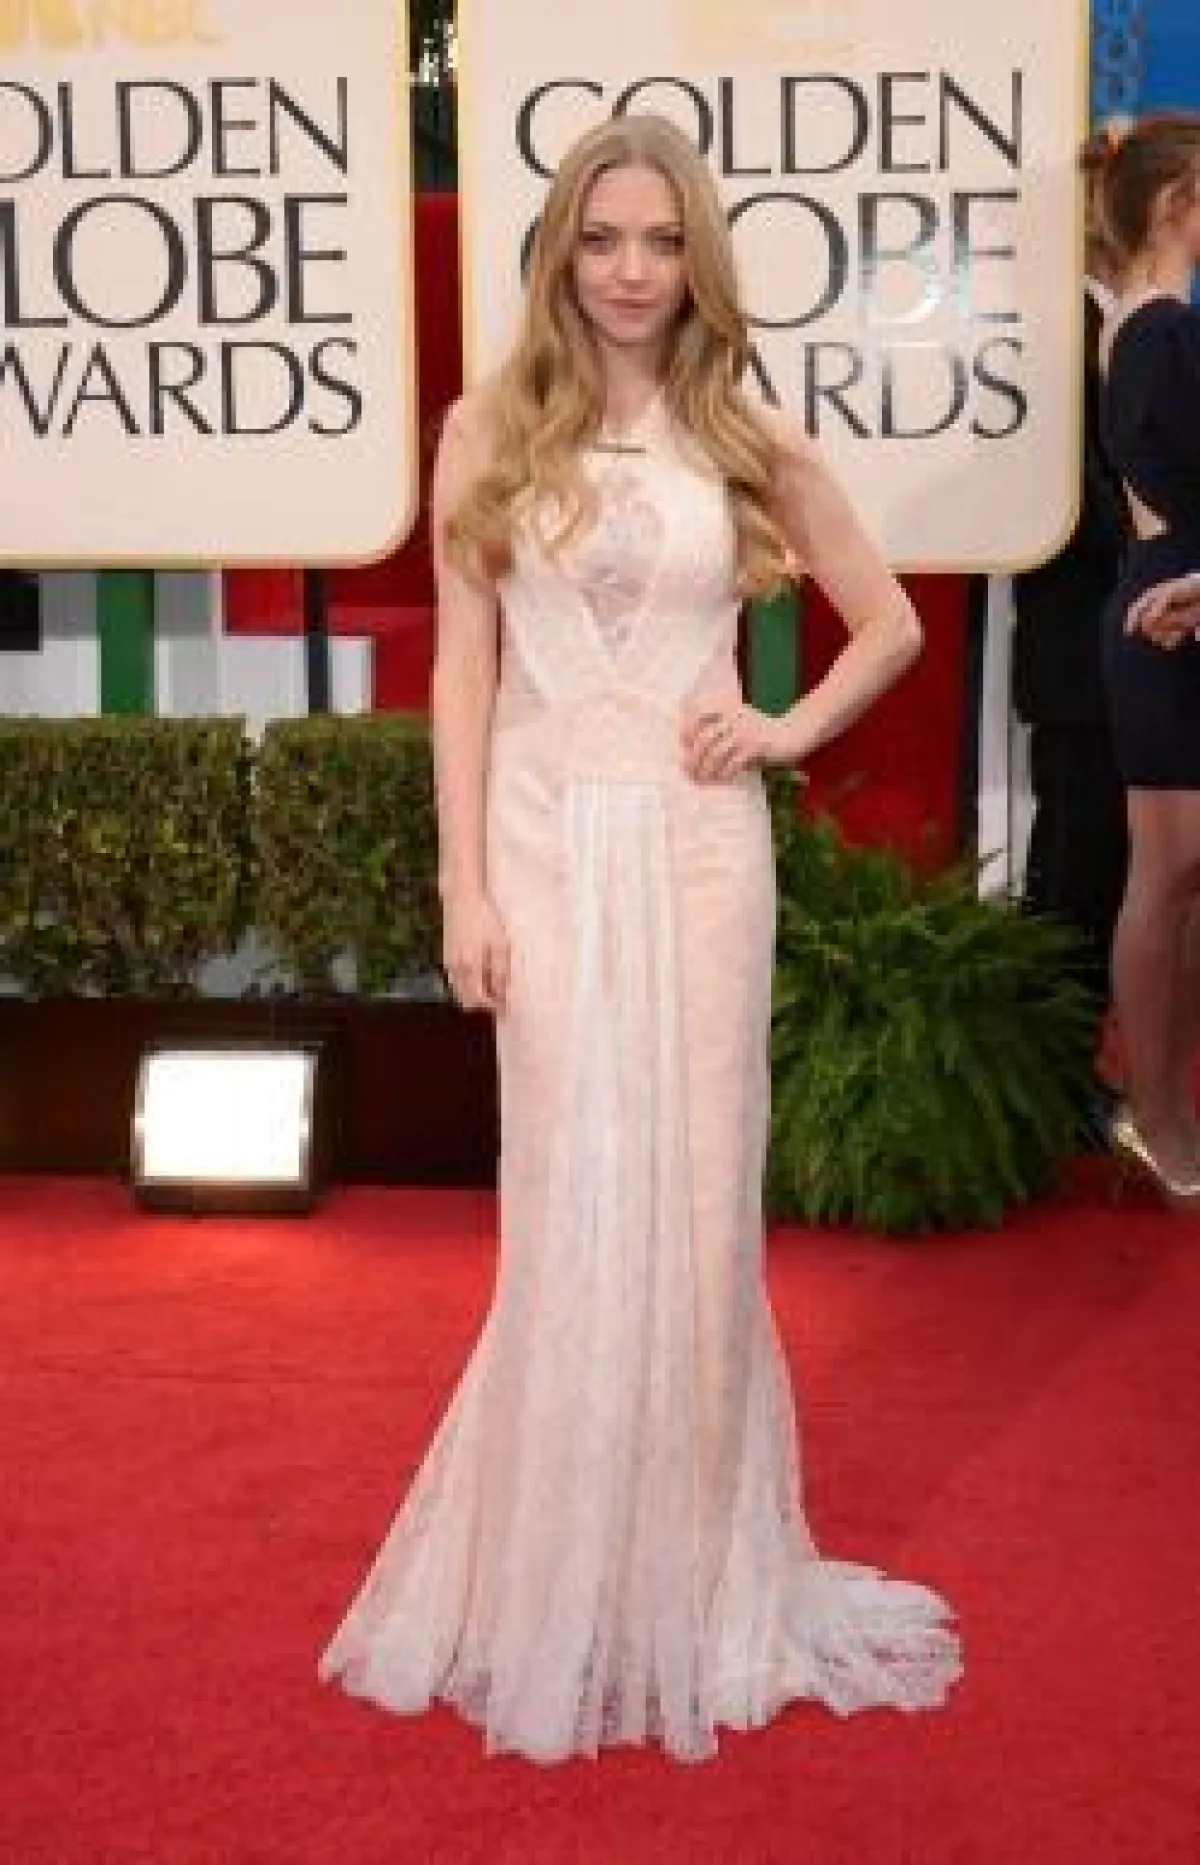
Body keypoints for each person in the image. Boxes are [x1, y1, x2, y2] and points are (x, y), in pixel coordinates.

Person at [319, 113, 961, 1763]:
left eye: (660, 242)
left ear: (697, 261)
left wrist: (784, 727)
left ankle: (697, 1583)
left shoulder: (743, 432)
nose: (628, 270)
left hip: (697, 854)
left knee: (697, 1213)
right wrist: (461, 888)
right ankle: (558, 1578)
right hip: (541, 851)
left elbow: (889, 623)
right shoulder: (486, 430)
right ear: (558, 252)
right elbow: (464, 666)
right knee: (564, 1207)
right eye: (601, 239)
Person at [1098, 111, 1200, 1208]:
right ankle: (1159, 1117)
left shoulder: (1132, 322)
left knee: (1176, 881)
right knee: (1170, 877)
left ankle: (1167, 1111)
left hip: (1163, 600)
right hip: (1172, 618)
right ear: (1177, 205)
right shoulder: (1165, 329)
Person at [1011, 128, 1129, 1025]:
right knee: (1076, 871)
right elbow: (1074, 492)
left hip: (1116, 644)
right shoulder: (1064, 333)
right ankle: (1053, 1060)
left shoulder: (1115, 326)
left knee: (1102, 866)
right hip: (1081, 645)